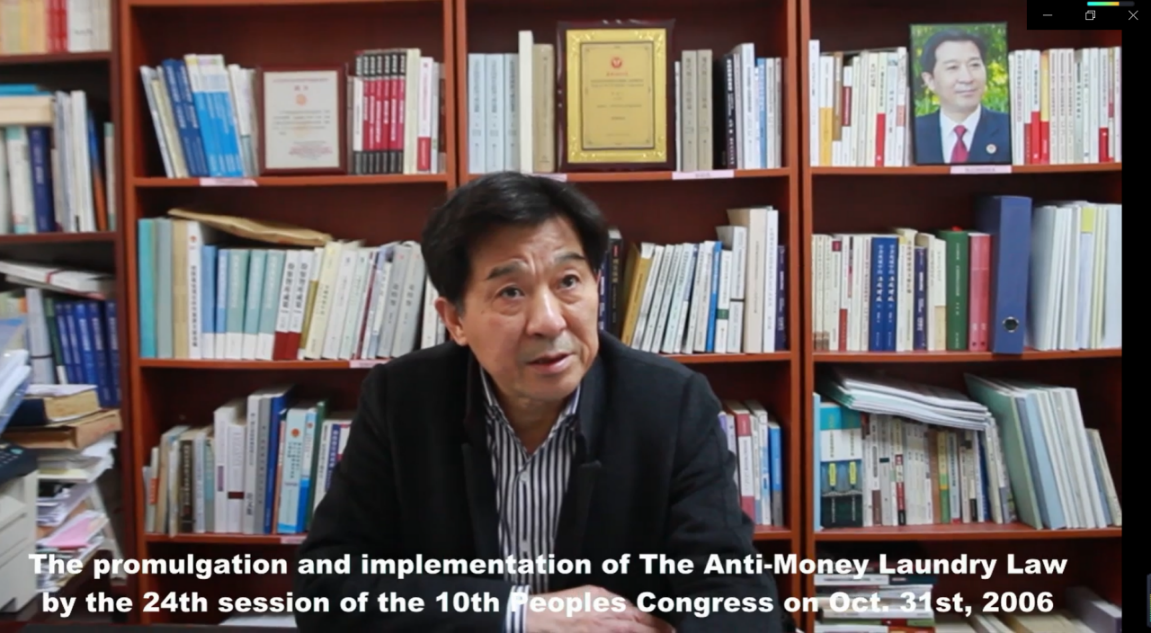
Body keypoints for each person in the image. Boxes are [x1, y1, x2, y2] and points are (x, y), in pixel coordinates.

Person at [293, 172, 785, 632]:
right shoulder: (402, 399)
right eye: (511, 292)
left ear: (597, 286)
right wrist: (520, 615)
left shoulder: (671, 402)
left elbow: (736, 596)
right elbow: (328, 587)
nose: (549, 321)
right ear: (455, 320)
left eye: (568, 282)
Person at [913, 27, 1010, 165]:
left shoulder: (1010, 128)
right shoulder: (912, 133)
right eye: (953, 67)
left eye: (974, 65)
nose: (967, 78)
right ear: (930, 80)